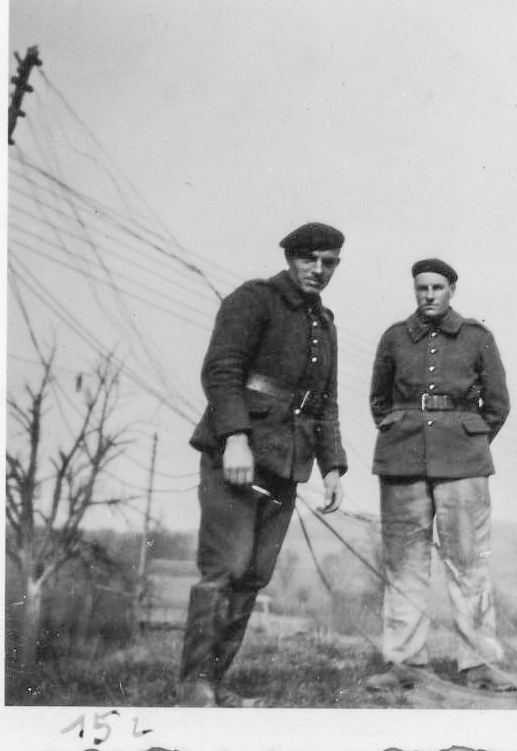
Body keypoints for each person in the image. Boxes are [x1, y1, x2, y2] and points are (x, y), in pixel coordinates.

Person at [180, 222, 348, 707]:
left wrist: (332, 466)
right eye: (310, 259)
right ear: (291, 257)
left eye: (330, 262)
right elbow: (222, 370)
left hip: (288, 460)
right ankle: (192, 688)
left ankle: (215, 683)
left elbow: (325, 403)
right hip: (238, 454)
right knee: (225, 567)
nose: (319, 270)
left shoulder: (325, 323)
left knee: (254, 573)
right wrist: (234, 439)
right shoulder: (253, 299)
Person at [364, 259, 513, 692]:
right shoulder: (394, 337)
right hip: (403, 460)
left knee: (469, 564)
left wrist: (467, 440)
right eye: (422, 288)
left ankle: (481, 662)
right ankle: (405, 661)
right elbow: (379, 401)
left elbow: (497, 405)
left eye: (437, 287)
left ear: (452, 289)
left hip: (463, 463)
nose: (428, 295)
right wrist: (406, 431)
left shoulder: (476, 338)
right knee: (405, 564)